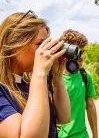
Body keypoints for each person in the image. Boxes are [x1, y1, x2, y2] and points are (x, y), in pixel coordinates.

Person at [0, 10, 70, 138]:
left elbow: (64, 117)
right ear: (14, 46)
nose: (45, 50)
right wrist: (40, 74)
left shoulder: (29, 84)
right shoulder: (3, 90)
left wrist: (58, 77)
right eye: (40, 44)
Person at [57, 29, 98, 138]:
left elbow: (90, 107)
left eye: (83, 52)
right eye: (77, 52)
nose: (82, 57)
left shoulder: (85, 76)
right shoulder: (50, 78)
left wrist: (95, 135)